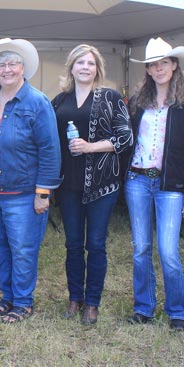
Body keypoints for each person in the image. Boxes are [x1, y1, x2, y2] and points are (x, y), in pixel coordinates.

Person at [0, 38, 61, 324]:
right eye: (1, 65)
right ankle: (8, 295)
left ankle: (23, 301)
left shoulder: (37, 102)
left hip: (22, 192)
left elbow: (50, 149)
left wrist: (43, 192)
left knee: (23, 249)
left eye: (12, 64)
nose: (6, 69)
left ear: (23, 68)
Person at [51, 44, 132, 325]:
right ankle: (75, 298)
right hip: (68, 183)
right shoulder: (59, 101)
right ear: (71, 67)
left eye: (91, 63)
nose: (85, 67)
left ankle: (92, 303)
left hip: (102, 184)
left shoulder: (110, 97)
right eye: (80, 63)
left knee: (95, 244)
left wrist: (91, 147)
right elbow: (50, 140)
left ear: (97, 69)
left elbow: (125, 138)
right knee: (73, 244)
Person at [125, 38, 184, 331]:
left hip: (171, 185)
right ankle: (144, 307)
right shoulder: (137, 104)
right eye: (153, 65)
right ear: (147, 70)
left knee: (168, 251)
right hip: (137, 180)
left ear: (174, 66)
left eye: (164, 63)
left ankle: (177, 311)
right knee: (141, 247)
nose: (159, 69)